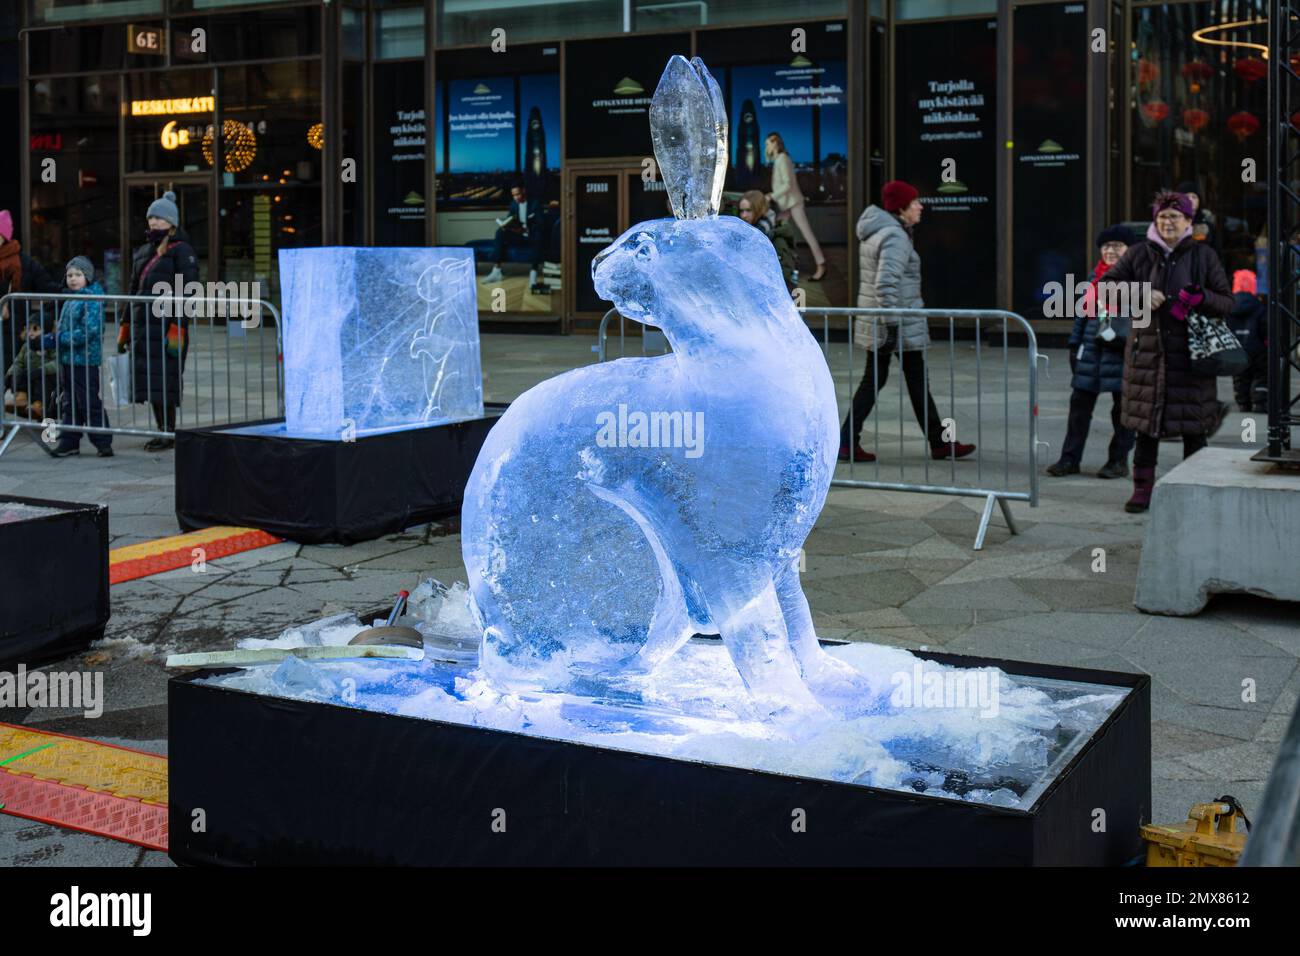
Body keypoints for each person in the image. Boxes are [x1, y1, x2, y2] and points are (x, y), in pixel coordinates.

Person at [1098, 190, 1234, 513]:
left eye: (1174, 216)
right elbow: (1106, 288)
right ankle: (1142, 490)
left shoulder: (1204, 257)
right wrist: (1140, 294)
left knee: (1193, 428)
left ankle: (1194, 489)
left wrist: (1202, 299)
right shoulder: (1138, 255)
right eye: (1162, 216)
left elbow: (1228, 302)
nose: (1167, 222)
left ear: (1189, 220)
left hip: (1192, 358)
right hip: (1147, 356)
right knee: (1147, 427)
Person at [840, 180, 976, 463]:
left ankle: (938, 441)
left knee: (906, 380)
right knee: (881, 380)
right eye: (915, 202)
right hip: (894, 324)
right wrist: (891, 326)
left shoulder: (883, 231)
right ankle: (847, 441)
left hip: (890, 322)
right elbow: (885, 284)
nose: (920, 206)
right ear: (902, 208)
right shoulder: (894, 237)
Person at [1046, 225, 1136, 478]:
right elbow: (1082, 315)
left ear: (1129, 249)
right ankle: (1069, 459)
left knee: (1124, 410)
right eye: (1106, 246)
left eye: (1117, 245)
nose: (1110, 250)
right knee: (1079, 407)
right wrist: (1074, 345)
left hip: (1121, 351)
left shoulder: (1138, 276)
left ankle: (1118, 461)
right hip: (1092, 349)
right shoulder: (1093, 277)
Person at [117, 191, 197, 452]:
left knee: (166, 379)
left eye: (159, 218)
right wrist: (125, 325)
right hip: (143, 327)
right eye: (151, 217)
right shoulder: (143, 252)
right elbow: (133, 290)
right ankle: (161, 430)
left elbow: (188, 290)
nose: (154, 222)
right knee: (150, 380)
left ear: (172, 224)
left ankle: (168, 432)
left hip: (167, 327)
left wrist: (178, 328)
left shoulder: (182, 251)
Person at [45, 257, 112, 458]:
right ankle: (69, 442)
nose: (73, 279)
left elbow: (87, 332)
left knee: (88, 401)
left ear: (88, 277)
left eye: (78, 275)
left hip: (84, 360)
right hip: (68, 359)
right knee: (69, 402)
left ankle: (103, 442)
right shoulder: (72, 298)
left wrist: (58, 338)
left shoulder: (91, 299)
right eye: (70, 275)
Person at [0, 208, 61, 377]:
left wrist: (43, 320)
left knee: (9, 371)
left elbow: (49, 288)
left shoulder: (24, 262)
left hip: (13, 329)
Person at [765, 133, 826, 282]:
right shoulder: (780, 159)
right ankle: (786, 260)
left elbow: (787, 184)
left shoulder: (782, 160)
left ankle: (821, 264)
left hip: (793, 203)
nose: (766, 147)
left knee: (806, 234)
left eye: (768, 144)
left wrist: (772, 196)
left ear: (775, 144)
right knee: (775, 229)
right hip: (787, 204)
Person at [481, 184, 548, 293]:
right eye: (514, 195)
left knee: (539, 235)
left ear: (524, 191)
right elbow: (510, 219)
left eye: (518, 194)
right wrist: (508, 226)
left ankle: (533, 273)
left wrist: (526, 229)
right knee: (500, 232)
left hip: (531, 235)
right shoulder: (514, 204)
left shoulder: (535, 203)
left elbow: (541, 224)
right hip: (518, 235)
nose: (516, 197)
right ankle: (496, 271)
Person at [1226, 269, 1268, 412]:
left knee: (1240, 376)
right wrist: (1266, 341)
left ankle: (1243, 403)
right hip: (1257, 347)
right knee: (1260, 374)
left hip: (1236, 347)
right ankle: (1260, 402)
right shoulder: (1258, 305)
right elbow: (1264, 325)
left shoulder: (1229, 306)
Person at [738, 190, 797, 290]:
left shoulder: (776, 239)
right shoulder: (749, 231)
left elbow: (782, 277)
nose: (743, 215)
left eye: (748, 210)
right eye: (741, 211)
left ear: (759, 210)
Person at [3, 317, 58, 420]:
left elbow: (57, 363)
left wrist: (43, 369)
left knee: (42, 381)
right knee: (21, 374)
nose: (31, 332)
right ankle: (21, 398)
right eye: (28, 329)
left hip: (47, 375)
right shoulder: (26, 346)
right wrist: (11, 373)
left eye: (35, 329)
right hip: (29, 374)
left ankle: (38, 405)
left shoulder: (51, 346)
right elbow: (18, 362)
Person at [1175, 180, 1221, 260]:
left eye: (1194, 197)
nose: (1191, 200)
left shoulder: (1207, 225)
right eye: (1187, 196)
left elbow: (1216, 253)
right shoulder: (1172, 224)